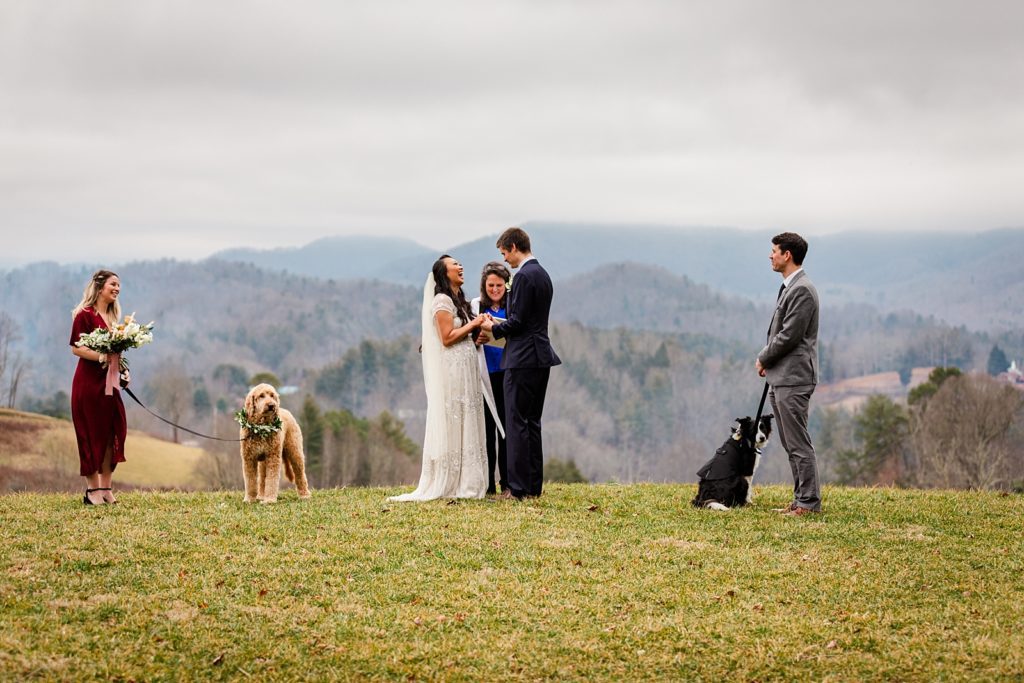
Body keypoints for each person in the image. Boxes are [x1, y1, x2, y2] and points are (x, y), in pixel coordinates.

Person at [389, 255, 489, 501]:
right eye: (455, 264)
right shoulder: (442, 300)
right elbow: (446, 337)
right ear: (444, 273)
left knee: (469, 418)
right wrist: (474, 322)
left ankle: (470, 479)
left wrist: (478, 333)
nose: (461, 266)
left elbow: (463, 334)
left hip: (467, 368)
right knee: (455, 416)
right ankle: (452, 480)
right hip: (453, 371)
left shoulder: (459, 300)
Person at [481, 227, 561, 500]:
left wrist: (493, 327)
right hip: (540, 356)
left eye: (504, 253)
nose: (505, 260)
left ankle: (516, 488)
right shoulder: (543, 274)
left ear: (514, 247)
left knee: (516, 422)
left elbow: (518, 322)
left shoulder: (524, 276)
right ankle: (532, 486)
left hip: (522, 358)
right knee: (532, 422)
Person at [755, 232, 821, 516]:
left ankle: (808, 502)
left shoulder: (802, 290)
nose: (770, 256)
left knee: (798, 442)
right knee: (789, 442)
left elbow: (789, 336)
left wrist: (763, 356)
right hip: (781, 377)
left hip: (794, 378)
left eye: (774, 251)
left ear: (787, 255)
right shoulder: (790, 287)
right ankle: (800, 499)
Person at [69, 270, 130, 505]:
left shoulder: (114, 319)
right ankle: (92, 490)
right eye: (113, 284)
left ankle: (106, 487)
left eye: (119, 286)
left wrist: (123, 370)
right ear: (100, 286)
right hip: (88, 385)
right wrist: (102, 358)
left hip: (110, 384)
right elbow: (76, 348)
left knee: (112, 432)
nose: (117, 289)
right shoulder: (84, 315)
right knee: (91, 434)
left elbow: (116, 354)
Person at [471, 261, 511, 495]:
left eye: (499, 285)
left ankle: (507, 482)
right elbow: (465, 336)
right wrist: (476, 339)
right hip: (484, 376)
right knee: (486, 431)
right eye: (490, 285)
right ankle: (487, 484)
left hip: (507, 374)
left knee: (506, 430)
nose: (494, 289)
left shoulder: (512, 308)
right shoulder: (476, 307)